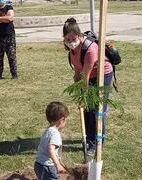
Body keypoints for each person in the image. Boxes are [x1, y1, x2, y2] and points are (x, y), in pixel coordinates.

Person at [63, 18, 113, 155]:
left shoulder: (90, 49)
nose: (70, 42)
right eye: (67, 40)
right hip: (87, 75)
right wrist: (77, 90)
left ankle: (98, 142)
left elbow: (85, 75)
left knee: (97, 108)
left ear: (79, 36)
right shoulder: (71, 49)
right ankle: (89, 138)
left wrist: (83, 95)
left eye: (73, 39)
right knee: (86, 109)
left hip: (102, 74)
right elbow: (77, 72)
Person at [34, 101, 68, 180]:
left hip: (38, 164)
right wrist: (57, 165)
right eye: (65, 119)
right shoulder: (55, 134)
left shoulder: (48, 130)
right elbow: (50, 149)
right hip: (47, 167)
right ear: (61, 120)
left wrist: (59, 161)